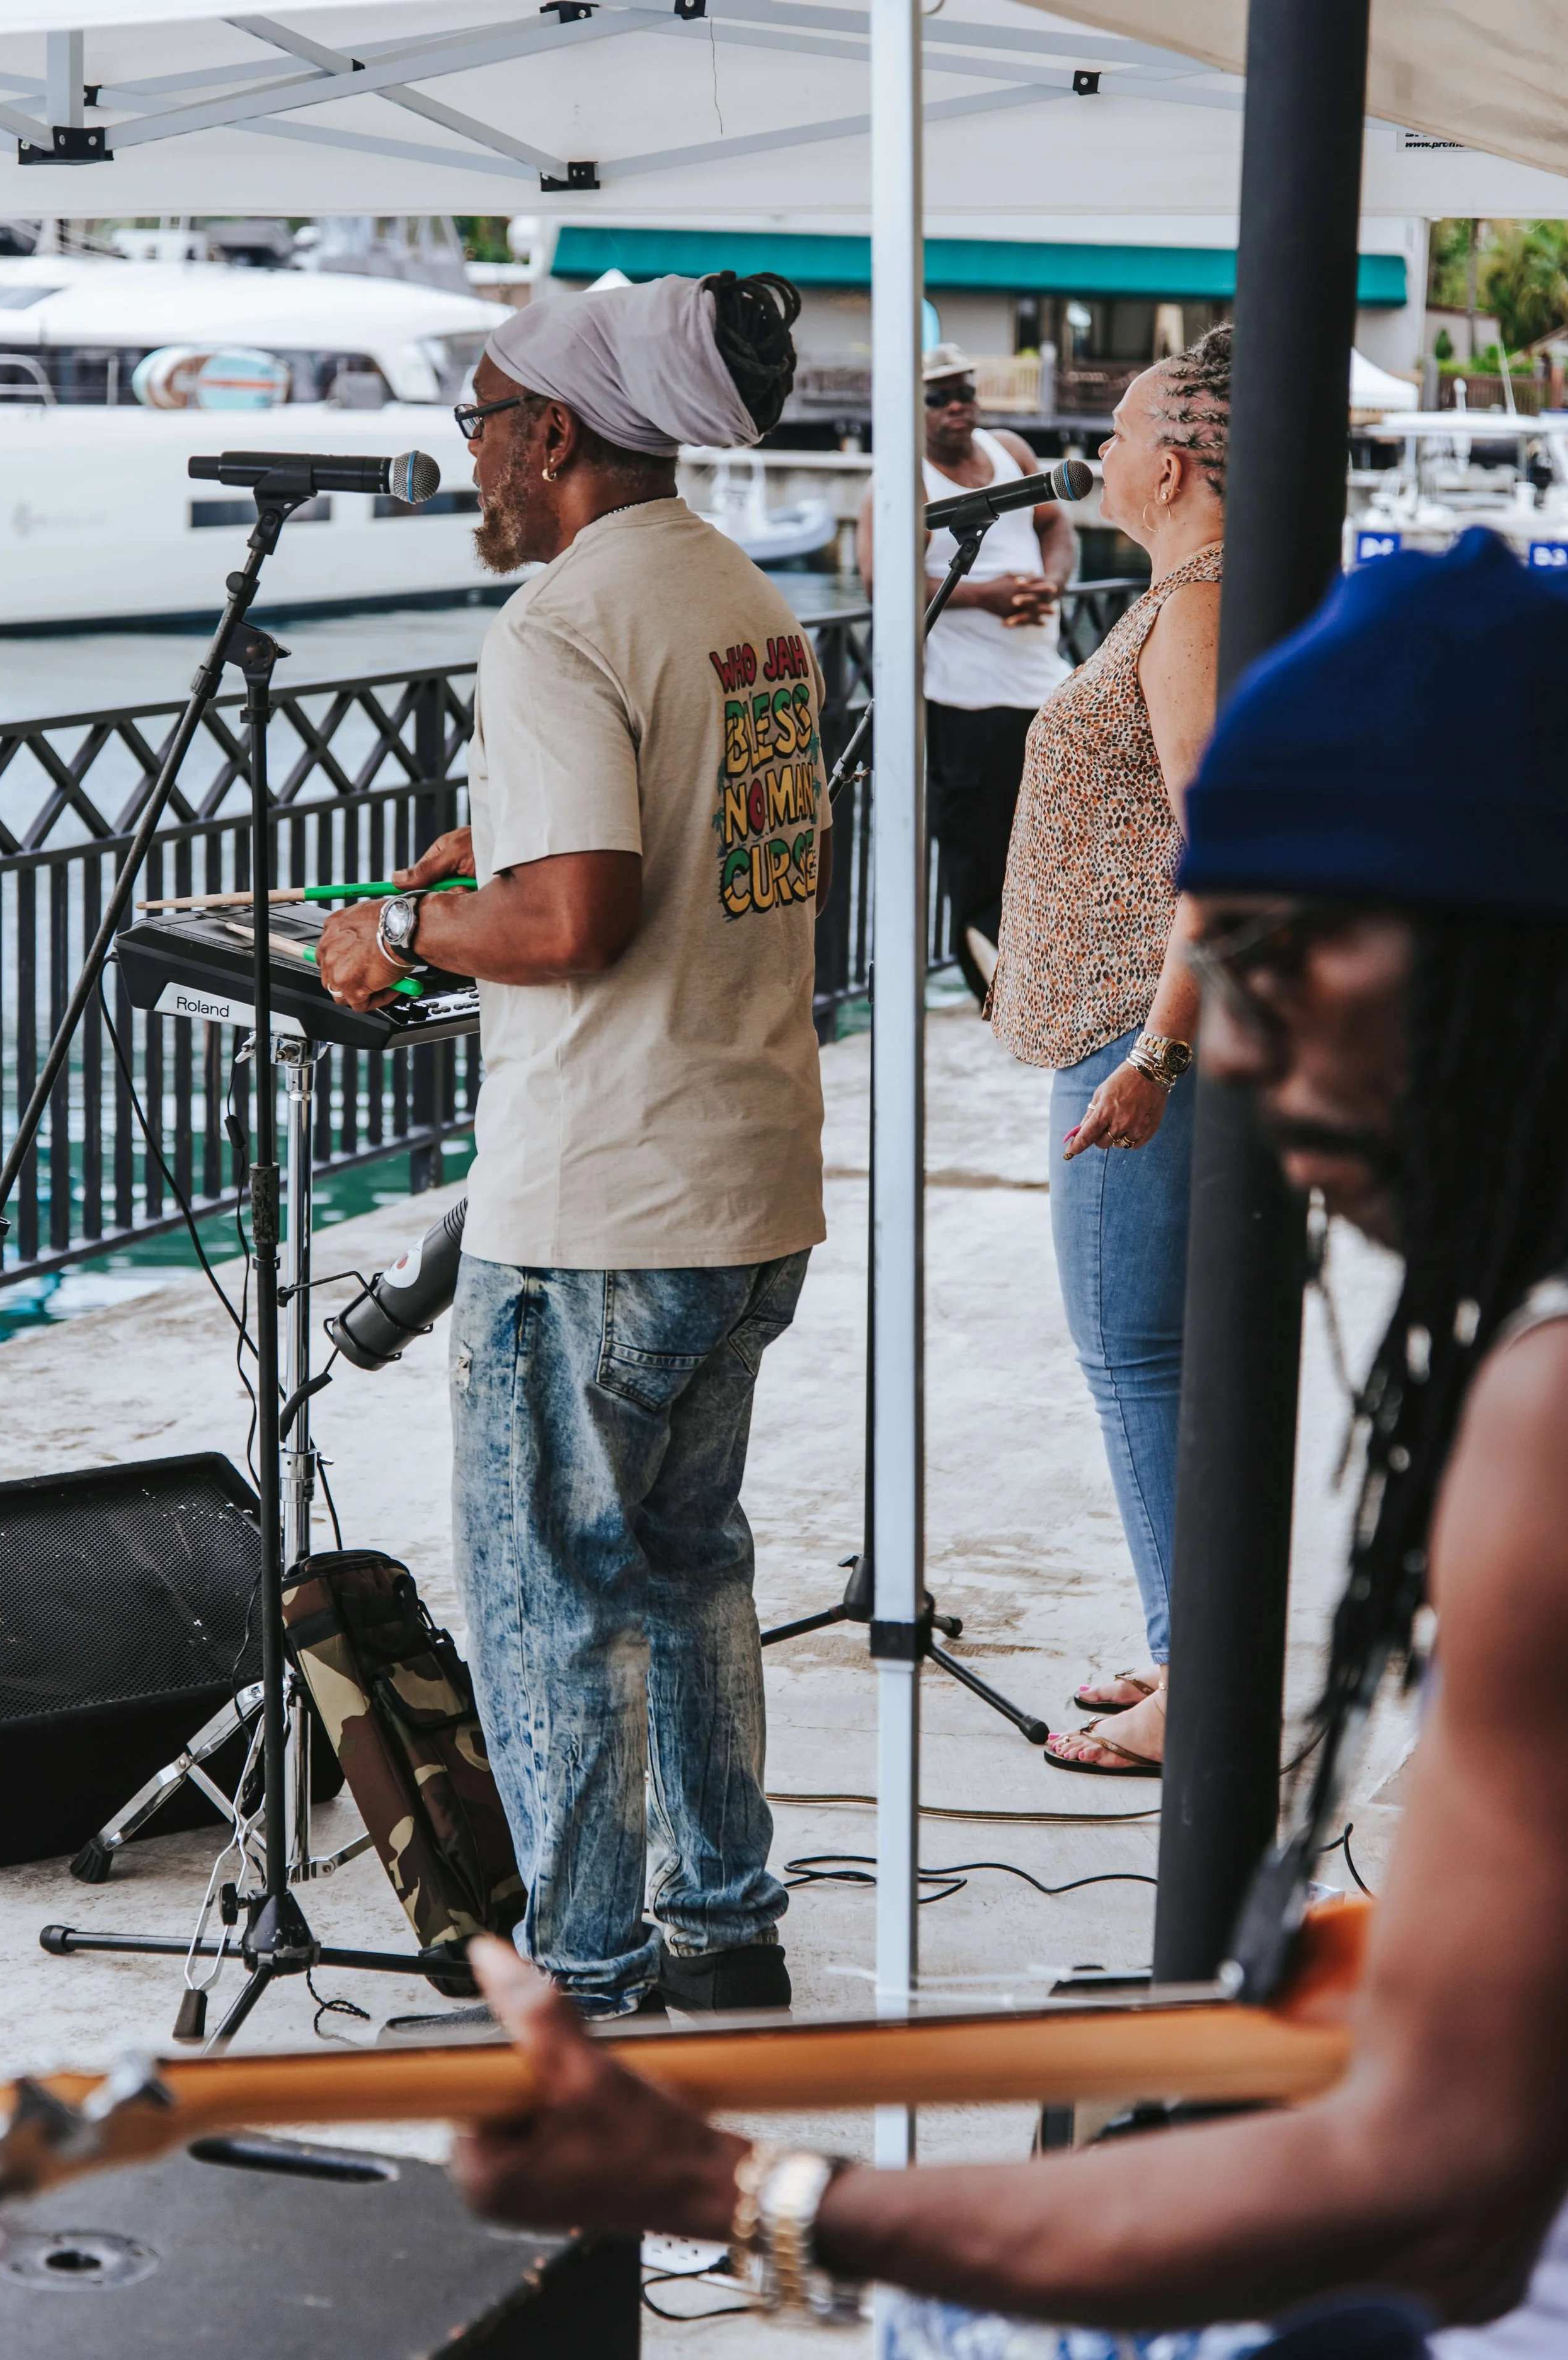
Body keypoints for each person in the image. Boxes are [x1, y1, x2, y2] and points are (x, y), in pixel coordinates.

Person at [444, 530, 1568, 2355]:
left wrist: (731, 2192)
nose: (1252, 1060)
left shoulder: (1543, 1424)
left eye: (1280, 959)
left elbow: (1426, 2199)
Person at [316, 270, 833, 2020]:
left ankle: (590, 1981)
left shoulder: (553, 625)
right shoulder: (738, 596)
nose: (469, 459)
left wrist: (394, 925)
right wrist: (508, 853)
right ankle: (721, 1929)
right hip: (743, 1175)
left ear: (551, 435)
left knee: (549, 1607)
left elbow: (569, 923)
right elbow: (672, 838)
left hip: (602, 1199)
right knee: (686, 1573)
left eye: (478, 424)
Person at [989, 326, 1230, 1774]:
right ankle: (1183, 1645)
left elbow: (1227, 837)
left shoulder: (1200, 606)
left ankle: (1197, 1691)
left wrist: (1159, 1052)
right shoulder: (1186, 596)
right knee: (1158, 1354)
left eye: (1119, 426)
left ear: (1177, 460)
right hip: (1129, 1026)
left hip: (1137, 1034)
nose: (1098, 452)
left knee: (1135, 1354)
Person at [858, 343, 1078, 1003]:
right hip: (966, 694)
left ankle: (1043, 977)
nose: (958, 406)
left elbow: (1055, 526)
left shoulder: (1009, 449)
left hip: (1040, 679)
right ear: (911, 407)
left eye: (965, 391)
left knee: (1049, 840)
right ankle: (995, 992)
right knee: (978, 851)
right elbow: (881, 580)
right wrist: (986, 595)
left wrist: (1048, 585)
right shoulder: (903, 477)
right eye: (939, 396)